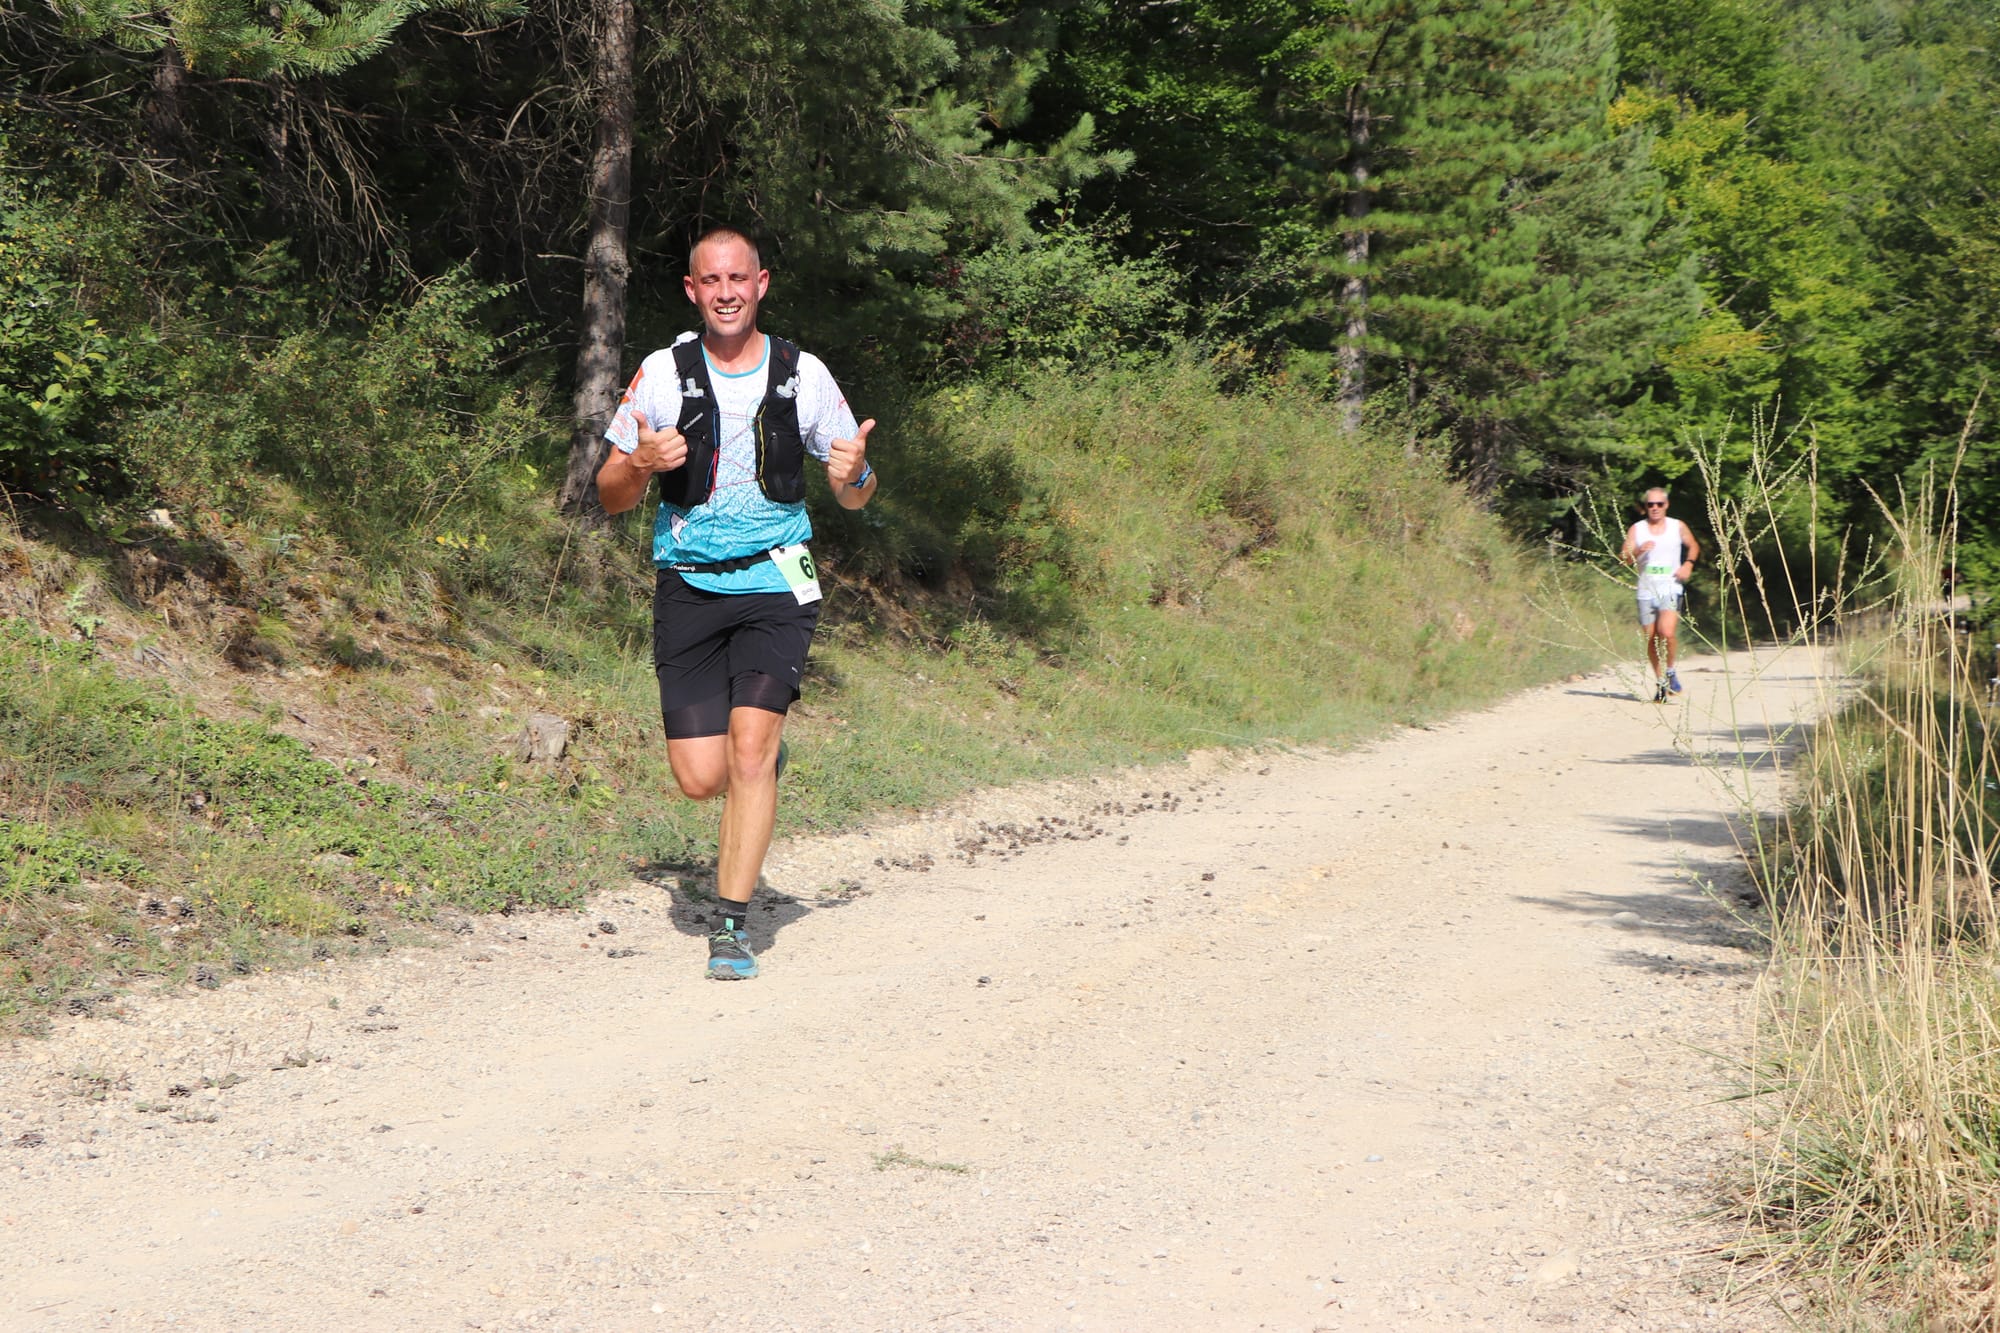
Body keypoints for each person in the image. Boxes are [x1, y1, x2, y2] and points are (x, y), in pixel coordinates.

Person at [596, 225, 877, 979]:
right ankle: (754, 752)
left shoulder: (802, 373)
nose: (726, 292)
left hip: (780, 578)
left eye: (738, 278)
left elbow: (855, 492)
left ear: (761, 284)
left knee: (749, 752)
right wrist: (643, 465)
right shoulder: (661, 373)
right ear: (693, 290)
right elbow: (609, 494)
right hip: (688, 582)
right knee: (700, 776)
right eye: (710, 280)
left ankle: (731, 926)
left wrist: (854, 476)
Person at [1619, 487, 1699, 702]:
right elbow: (1624, 558)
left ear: (1666, 505)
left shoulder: (1677, 526)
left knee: (1667, 632)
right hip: (1646, 590)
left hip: (1670, 587)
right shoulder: (1637, 529)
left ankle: (1670, 670)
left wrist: (1688, 565)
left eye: (1659, 504)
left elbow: (1693, 546)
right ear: (1645, 507)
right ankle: (1661, 682)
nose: (1654, 508)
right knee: (1652, 639)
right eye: (1650, 504)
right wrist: (1638, 551)